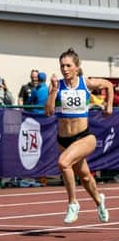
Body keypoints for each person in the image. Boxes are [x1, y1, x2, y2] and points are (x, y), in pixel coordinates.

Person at [44, 47, 113, 224]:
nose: (64, 69)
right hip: (63, 139)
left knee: (63, 163)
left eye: (68, 65)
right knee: (85, 176)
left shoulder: (85, 83)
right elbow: (48, 112)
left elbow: (108, 85)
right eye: (62, 66)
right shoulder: (57, 85)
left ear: (76, 67)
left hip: (84, 137)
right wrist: (52, 91)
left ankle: (73, 203)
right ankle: (99, 201)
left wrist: (109, 106)